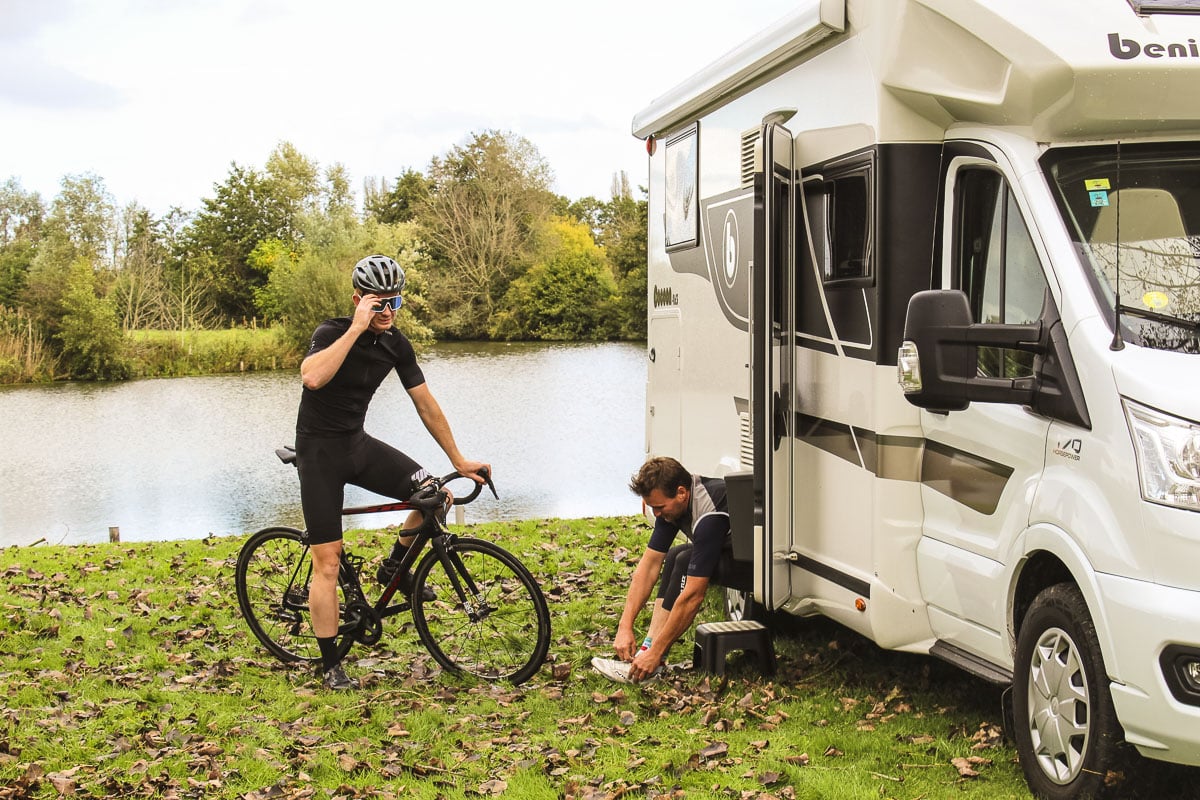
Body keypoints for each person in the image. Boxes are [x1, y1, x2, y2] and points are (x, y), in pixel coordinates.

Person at [296, 253, 489, 691]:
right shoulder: (331, 332)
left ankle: (393, 572)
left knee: (433, 494)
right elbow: (312, 378)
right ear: (359, 301)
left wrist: (458, 461)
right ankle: (330, 665)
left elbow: (424, 403)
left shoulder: (397, 344)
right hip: (319, 455)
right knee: (327, 564)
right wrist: (356, 328)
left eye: (394, 304)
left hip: (356, 445)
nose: (387, 313)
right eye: (378, 304)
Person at [592, 456, 730, 683]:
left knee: (684, 560)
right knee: (676, 555)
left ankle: (652, 659)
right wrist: (624, 626)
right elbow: (649, 566)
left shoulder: (709, 515)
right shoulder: (673, 505)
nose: (656, 514)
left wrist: (657, 651)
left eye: (659, 507)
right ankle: (647, 654)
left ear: (681, 493)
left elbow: (693, 596)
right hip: (731, 552)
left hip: (759, 570)